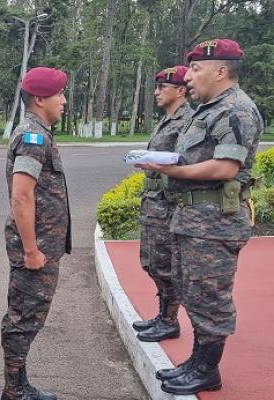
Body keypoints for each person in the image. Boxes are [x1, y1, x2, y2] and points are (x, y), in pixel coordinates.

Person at [137, 38, 263, 395]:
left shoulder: (235, 109)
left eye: (196, 69)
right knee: (192, 291)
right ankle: (197, 360)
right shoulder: (209, 109)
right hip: (192, 218)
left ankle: (208, 369)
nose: (188, 76)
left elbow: (225, 165)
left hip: (215, 222)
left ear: (221, 70)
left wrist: (170, 171)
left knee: (210, 296)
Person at [1, 66, 70, 400]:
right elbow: (22, 194)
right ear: (40, 98)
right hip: (35, 248)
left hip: (41, 245)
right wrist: (31, 249)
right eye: (59, 94)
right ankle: (14, 391)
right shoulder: (33, 137)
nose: (64, 101)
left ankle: (17, 385)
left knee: (27, 315)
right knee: (24, 317)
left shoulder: (39, 132)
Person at [133, 65, 194, 343]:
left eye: (162, 87)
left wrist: (157, 164)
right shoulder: (167, 119)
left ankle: (169, 321)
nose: (157, 92)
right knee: (151, 262)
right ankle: (162, 316)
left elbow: (185, 161)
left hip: (168, 205)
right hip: (154, 202)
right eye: (157, 87)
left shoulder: (187, 121)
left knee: (164, 264)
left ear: (180, 91)